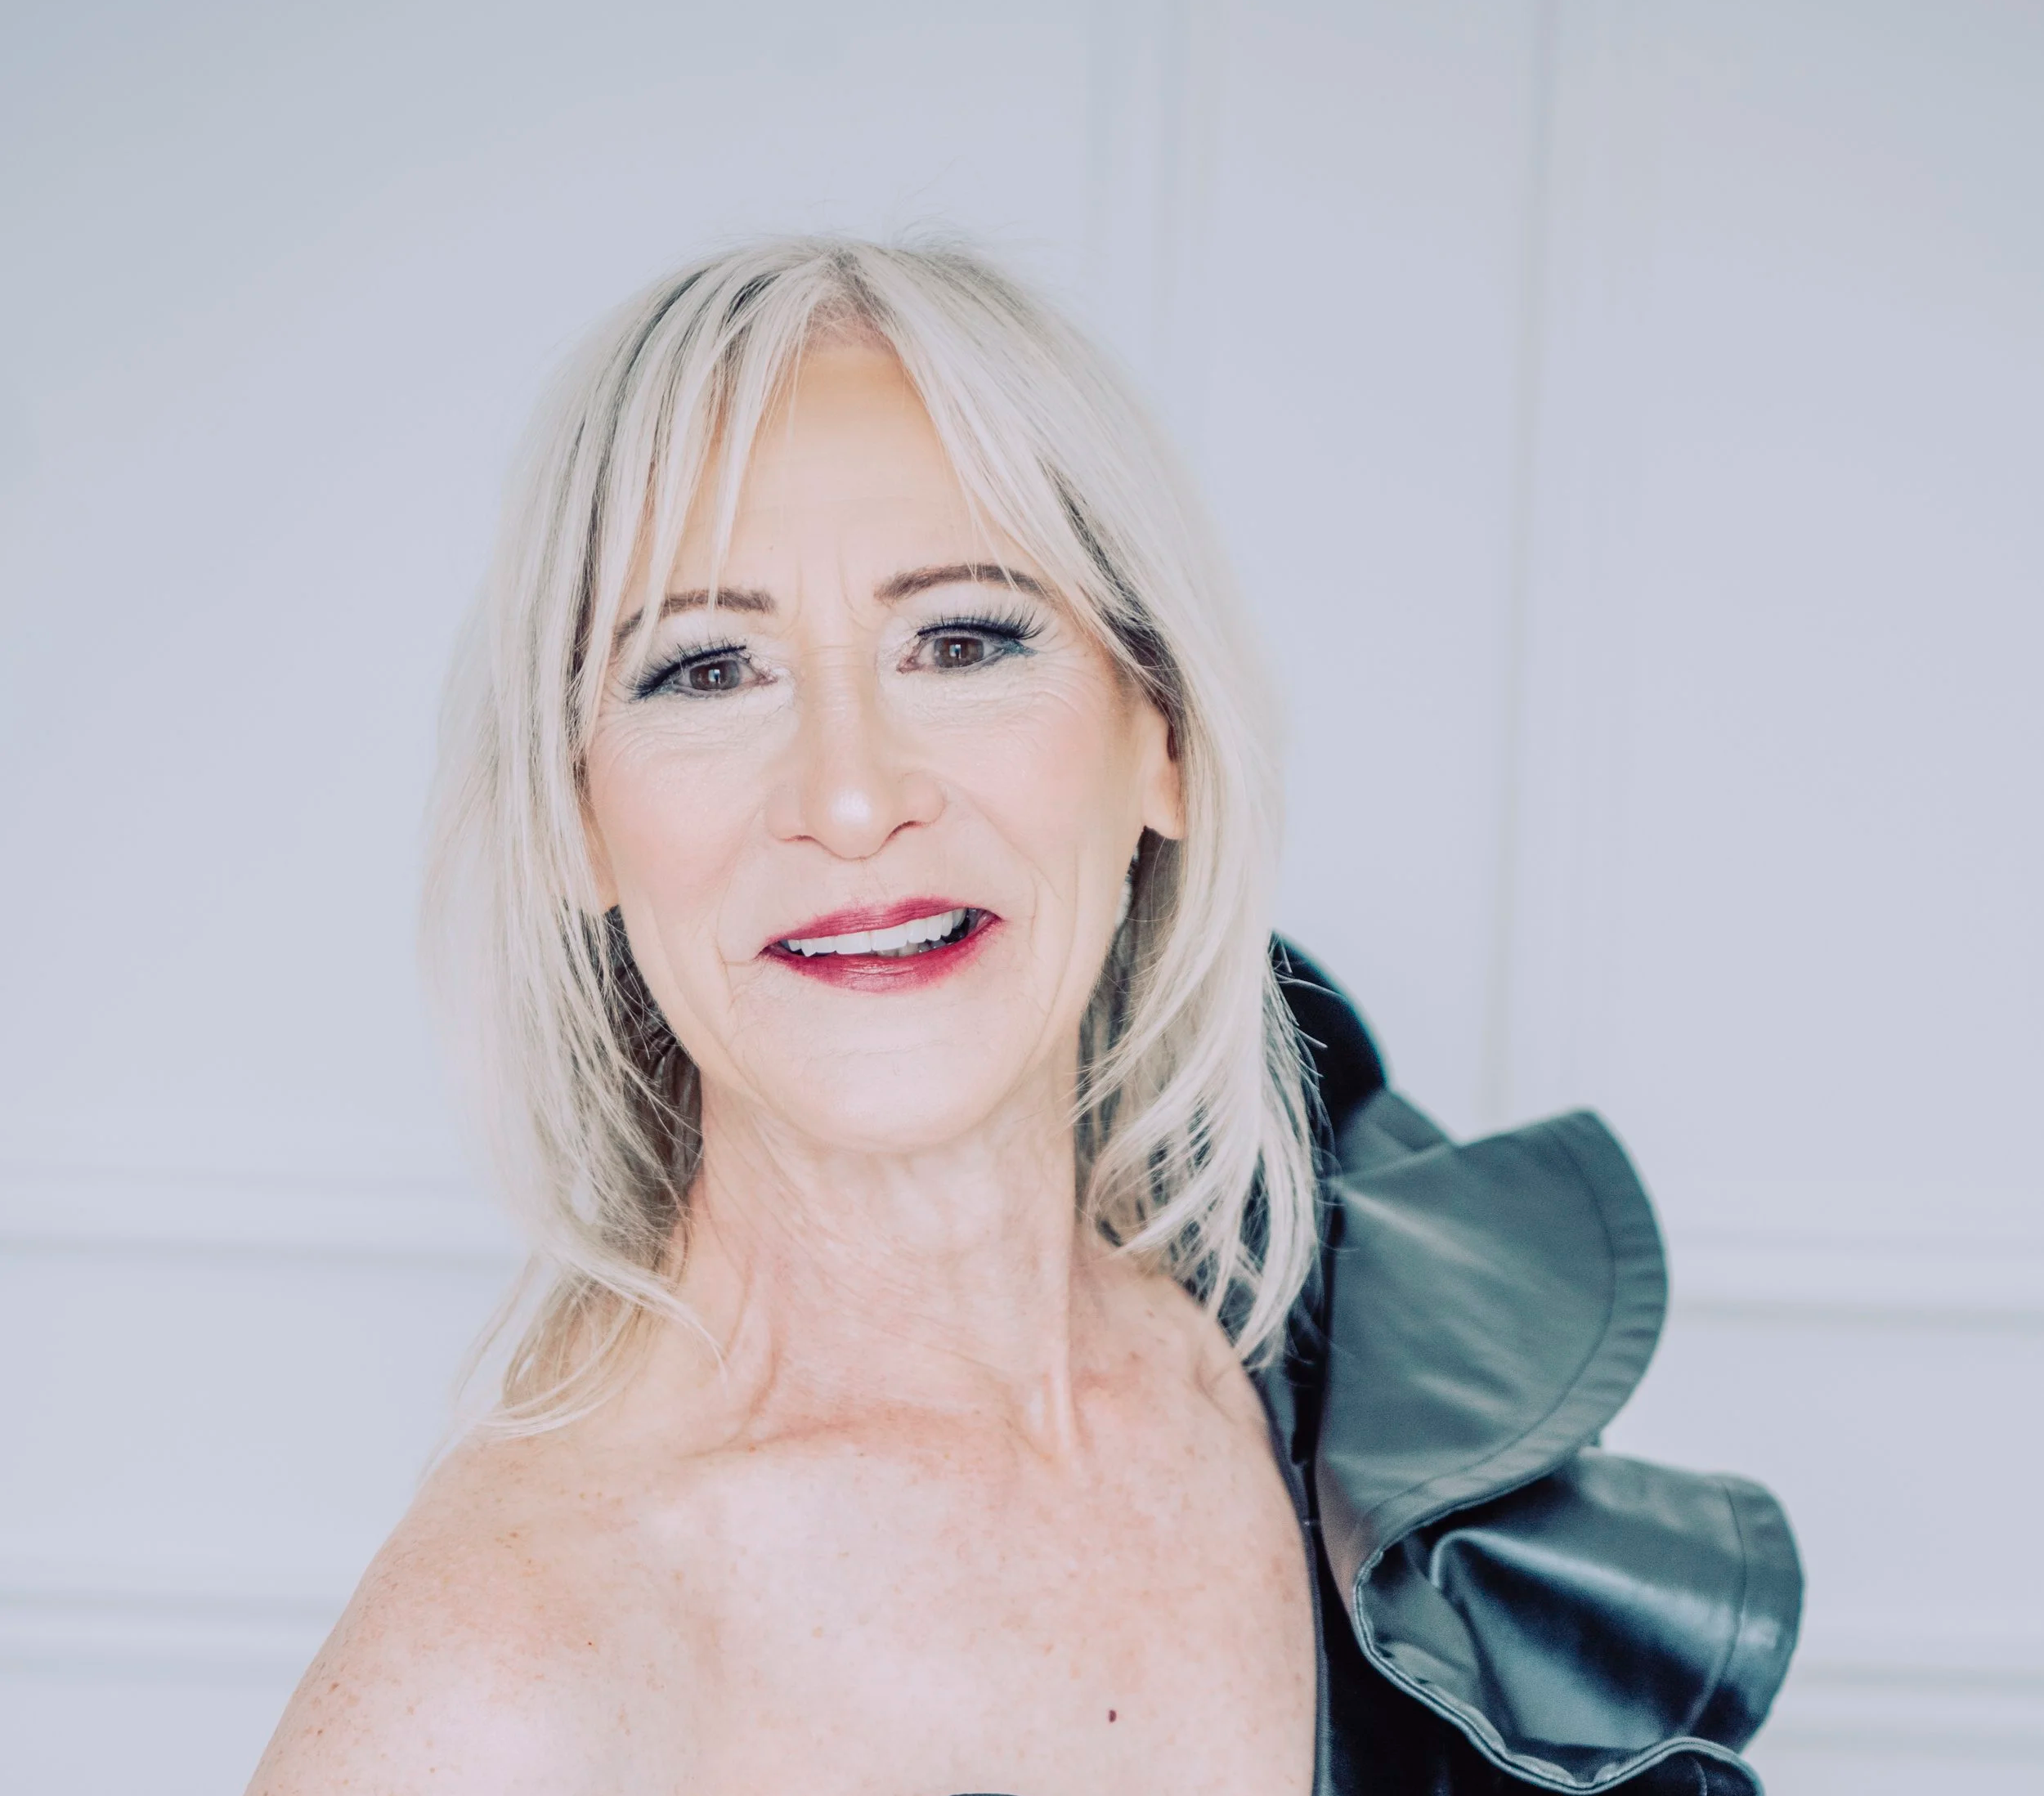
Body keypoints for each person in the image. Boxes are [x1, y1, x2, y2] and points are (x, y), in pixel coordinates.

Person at [248, 239, 1800, 1796]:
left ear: (1161, 735)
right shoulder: (499, 1679)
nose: (850, 796)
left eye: (964, 641)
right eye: (706, 670)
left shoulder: (1334, 1358)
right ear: (578, 817)